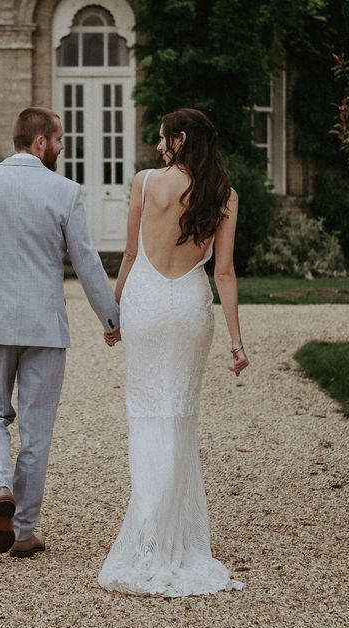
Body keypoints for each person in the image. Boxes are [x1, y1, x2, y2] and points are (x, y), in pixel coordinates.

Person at [0, 107, 119, 558]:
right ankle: (23, 531)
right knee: (37, 432)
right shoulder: (64, 191)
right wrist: (111, 319)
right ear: (40, 142)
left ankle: (1, 486)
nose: (62, 149)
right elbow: (86, 261)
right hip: (45, 325)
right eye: (59, 141)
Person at [98, 108, 248, 596]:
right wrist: (236, 341)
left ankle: (149, 533)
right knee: (180, 414)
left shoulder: (144, 183)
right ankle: (172, 535)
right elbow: (223, 273)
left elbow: (130, 256)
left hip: (144, 302)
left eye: (164, 137)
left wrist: (114, 309)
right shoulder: (223, 195)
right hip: (187, 305)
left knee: (145, 413)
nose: (159, 145)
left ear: (179, 139)